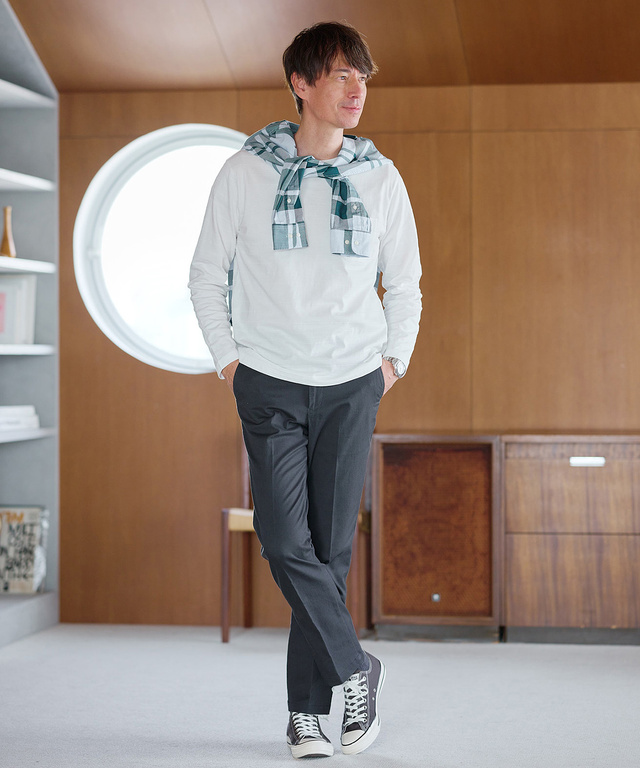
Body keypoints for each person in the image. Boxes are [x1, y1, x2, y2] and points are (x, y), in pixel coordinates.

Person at [189, 21, 422, 759]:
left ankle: (307, 716)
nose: (357, 90)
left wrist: (392, 364)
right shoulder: (245, 173)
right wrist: (230, 362)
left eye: (364, 77)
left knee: (329, 554)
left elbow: (405, 282)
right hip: (269, 382)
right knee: (287, 540)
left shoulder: (380, 178)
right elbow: (206, 275)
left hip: (352, 383)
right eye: (342, 75)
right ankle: (357, 669)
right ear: (301, 83)